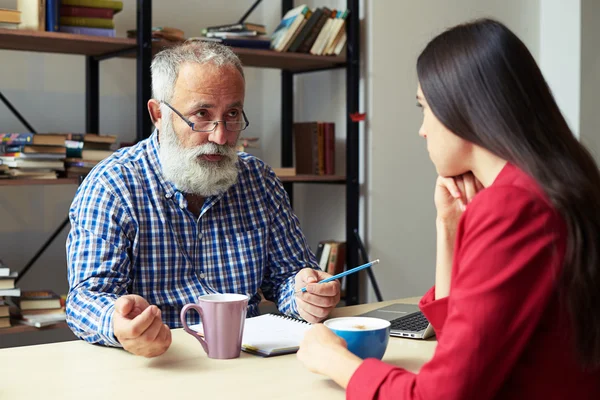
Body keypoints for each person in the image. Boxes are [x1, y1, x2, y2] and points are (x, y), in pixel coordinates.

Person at [297, 18, 600, 398]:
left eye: (424, 107)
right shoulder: (548, 184)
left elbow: (441, 395)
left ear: (464, 109)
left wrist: (335, 361)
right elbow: (458, 341)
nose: (422, 129)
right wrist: (449, 226)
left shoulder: (513, 205)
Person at [66, 41, 340, 358]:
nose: (220, 136)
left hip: (245, 362)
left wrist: (307, 293)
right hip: (162, 361)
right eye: (201, 114)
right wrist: (119, 323)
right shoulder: (113, 185)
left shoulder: (258, 181)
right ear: (158, 114)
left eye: (232, 114)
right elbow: (86, 299)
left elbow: (289, 279)